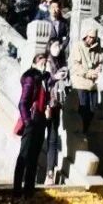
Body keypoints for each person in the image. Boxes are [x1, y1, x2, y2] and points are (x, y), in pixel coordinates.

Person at [13, 50, 50, 199]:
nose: (44, 64)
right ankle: (16, 191)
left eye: (45, 62)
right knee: (24, 155)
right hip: (32, 120)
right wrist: (28, 122)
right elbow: (22, 103)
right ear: (34, 62)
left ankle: (29, 191)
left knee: (34, 157)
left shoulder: (44, 78)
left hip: (41, 120)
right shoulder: (30, 77)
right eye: (41, 61)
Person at [69, 23, 103, 137]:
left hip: (92, 84)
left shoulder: (97, 47)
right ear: (85, 36)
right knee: (82, 109)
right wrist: (88, 73)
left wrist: (98, 69)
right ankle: (80, 133)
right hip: (80, 83)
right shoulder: (77, 46)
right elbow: (75, 65)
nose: (91, 39)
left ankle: (85, 130)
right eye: (89, 37)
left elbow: (100, 61)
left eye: (93, 37)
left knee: (92, 109)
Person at [44, 39, 70, 185]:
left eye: (58, 45)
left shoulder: (60, 61)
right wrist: (54, 77)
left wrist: (64, 74)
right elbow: (43, 81)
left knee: (53, 139)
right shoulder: (46, 62)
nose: (57, 48)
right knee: (40, 139)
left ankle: (50, 173)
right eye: (54, 45)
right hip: (45, 105)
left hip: (57, 103)